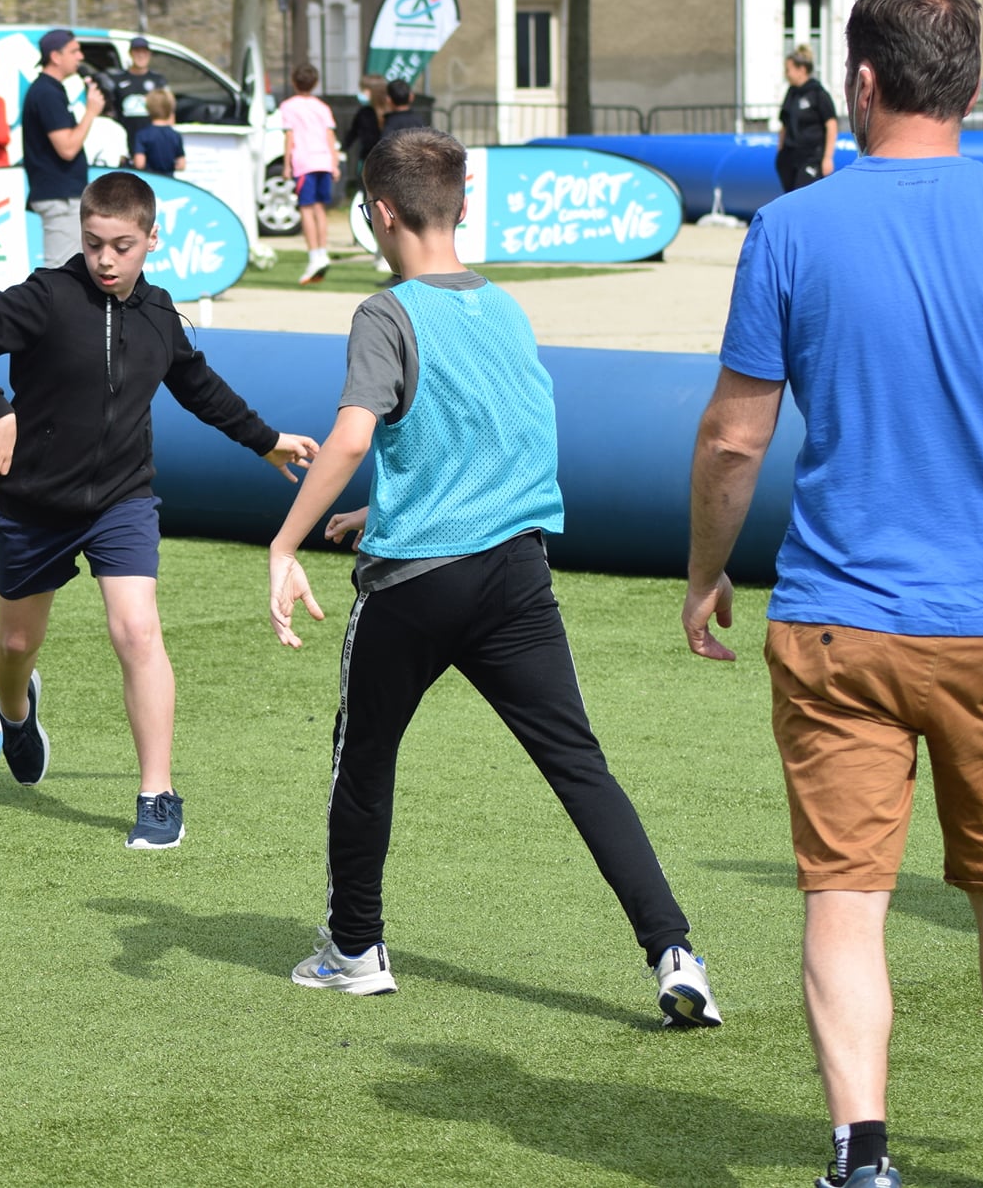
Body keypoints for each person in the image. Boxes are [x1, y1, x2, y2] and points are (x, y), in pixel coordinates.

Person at [684, 0, 983, 1188]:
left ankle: (861, 1156)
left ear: (857, 84)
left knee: (846, 897)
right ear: (970, 85)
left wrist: (702, 573)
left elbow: (733, 440)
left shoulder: (791, 229)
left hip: (838, 619)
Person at [266, 128, 722, 1027]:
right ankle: (675, 951)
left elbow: (355, 433)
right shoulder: (505, 309)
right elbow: (501, 437)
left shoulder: (384, 313)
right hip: (516, 575)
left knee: (363, 763)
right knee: (581, 768)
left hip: (417, 587)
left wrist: (288, 542)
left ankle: (355, 948)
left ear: (380, 213)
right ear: (463, 207)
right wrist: (380, 508)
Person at [0, 170, 320, 850]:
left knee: (138, 632)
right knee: (18, 642)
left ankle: (157, 793)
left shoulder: (159, 313)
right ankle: (17, 715)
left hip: (122, 500)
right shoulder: (45, 297)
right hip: (34, 503)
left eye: (122, 245)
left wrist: (265, 440)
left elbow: (198, 384)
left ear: (151, 239)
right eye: (94, 243)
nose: (106, 259)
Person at [21, 28, 104, 268]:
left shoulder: (50, 90)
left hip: (62, 193)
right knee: (58, 273)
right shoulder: (46, 92)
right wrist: (91, 112)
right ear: (55, 56)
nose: (80, 57)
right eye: (74, 51)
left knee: (68, 272)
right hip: (59, 195)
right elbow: (67, 148)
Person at [277, 64, 340, 284]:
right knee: (320, 209)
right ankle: (323, 251)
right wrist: (334, 162)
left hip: (304, 161)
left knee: (306, 208)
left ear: (294, 82)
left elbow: (290, 137)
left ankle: (314, 254)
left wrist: (286, 164)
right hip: (323, 159)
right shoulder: (322, 107)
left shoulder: (288, 106)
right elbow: (330, 135)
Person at [776, 44, 840, 194]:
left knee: (803, 193)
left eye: (788, 70)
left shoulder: (818, 93)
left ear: (801, 70)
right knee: (790, 197)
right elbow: (784, 124)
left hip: (811, 156)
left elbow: (831, 125)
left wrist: (827, 158)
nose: (786, 74)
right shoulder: (791, 93)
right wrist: (780, 153)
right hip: (790, 156)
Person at [106, 35, 168, 158]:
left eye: (144, 52)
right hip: (127, 140)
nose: (141, 55)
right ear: (130, 53)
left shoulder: (158, 81)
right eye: (137, 51)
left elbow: (168, 112)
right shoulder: (118, 80)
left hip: (153, 142)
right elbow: (112, 112)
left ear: (149, 54)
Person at [341, 75, 393, 184]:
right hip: (367, 159)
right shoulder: (364, 113)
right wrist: (341, 149)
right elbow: (353, 133)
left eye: (363, 90)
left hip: (386, 161)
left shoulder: (390, 114)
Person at [129, 90, 185, 178]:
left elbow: (139, 164)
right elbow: (181, 165)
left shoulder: (142, 135)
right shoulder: (175, 135)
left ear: (148, 108)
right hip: (169, 180)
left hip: (150, 179)